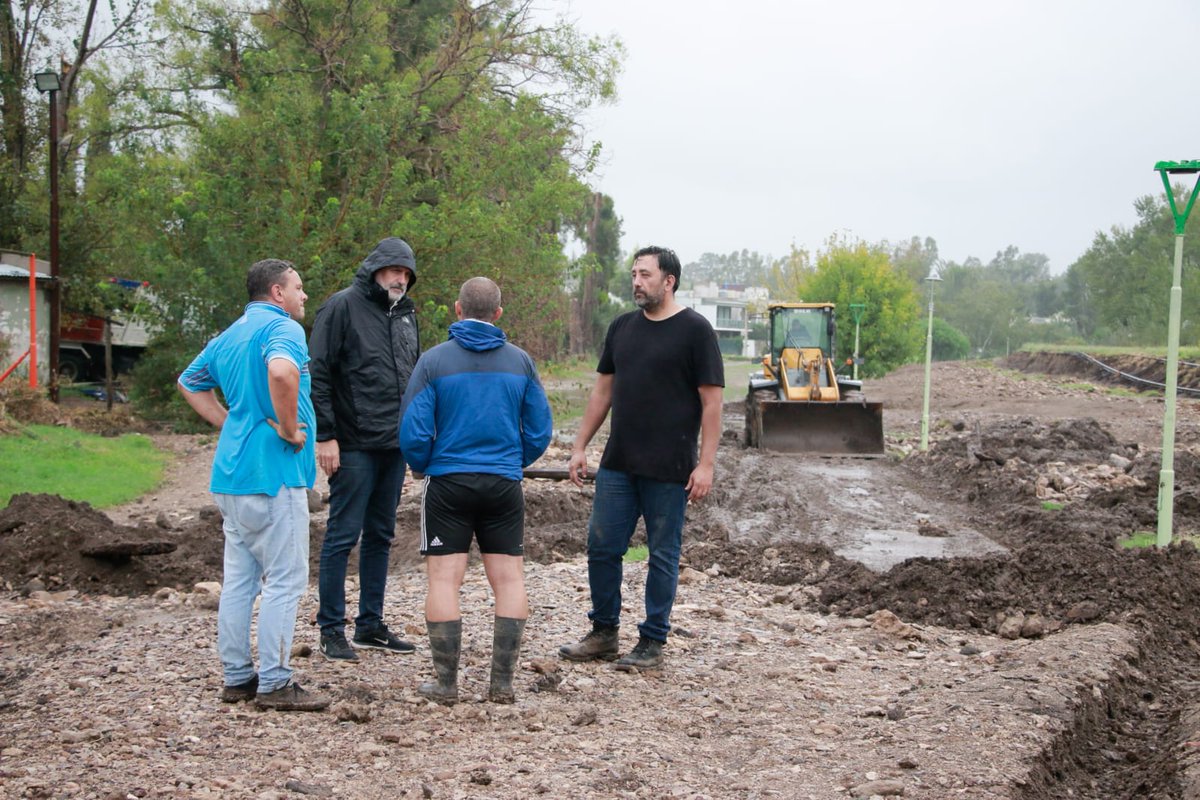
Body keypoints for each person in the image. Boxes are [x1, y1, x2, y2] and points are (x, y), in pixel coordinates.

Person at [559, 246, 724, 669]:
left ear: (668, 281)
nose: (636, 281)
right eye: (634, 273)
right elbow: (602, 392)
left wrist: (705, 464)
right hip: (618, 464)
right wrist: (580, 446)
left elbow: (712, 404)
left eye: (645, 274)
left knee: (662, 555)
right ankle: (604, 632)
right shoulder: (622, 328)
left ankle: (652, 640)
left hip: (670, 468)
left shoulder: (695, 330)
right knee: (601, 546)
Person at [178, 258, 330, 712]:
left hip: (231, 475)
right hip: (273, 475)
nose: (304, 296)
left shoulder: (228, 335)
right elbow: (282, 373)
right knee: (285, 579)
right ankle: (277, 682)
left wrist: (229, 423)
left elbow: (189, 382)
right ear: (277, 292)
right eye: (298, 288)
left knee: (240, 580)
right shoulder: (283, 329)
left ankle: (238, 676)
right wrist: (287, 428)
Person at [399, 277, 553, 705]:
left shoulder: (433, 362)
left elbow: (412, 428)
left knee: (445, 580)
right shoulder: (520, 362)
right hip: (503, 483)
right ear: (498, 314)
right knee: (509, 578)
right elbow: (540, 429)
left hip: (448, 483)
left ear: (457, 309)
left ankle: (446, 684)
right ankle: (501, 684)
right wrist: (512, 460)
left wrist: (423, 464)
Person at [309, 237, 422, 661]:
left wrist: (417, 442)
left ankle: (370, 625)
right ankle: (330, 629)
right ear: (375, 268)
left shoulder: (407, 316)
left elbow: (416, 380)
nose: (400, 278)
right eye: (394, 270)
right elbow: (317, 373)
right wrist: (325, 435)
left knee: (381, 535)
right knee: (341, 535)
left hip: (394, 445)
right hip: (352, 444)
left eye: (407, 273)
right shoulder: (341, 307)